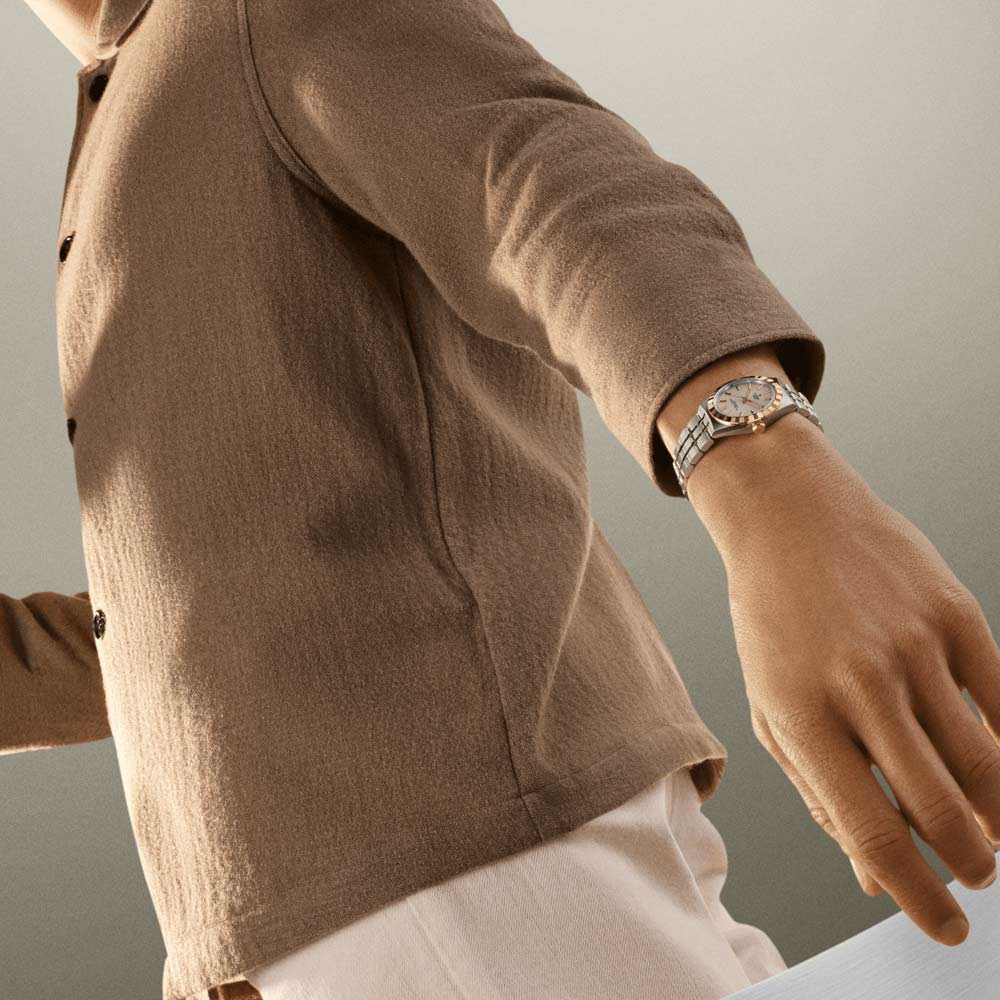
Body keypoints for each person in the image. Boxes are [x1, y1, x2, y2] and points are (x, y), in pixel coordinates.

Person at [8, 1, 999, 998]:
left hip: (448, 880)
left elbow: (536, 181)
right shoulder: (132, 93)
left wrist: (773, 483)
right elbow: (200, 615)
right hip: (396, 898)